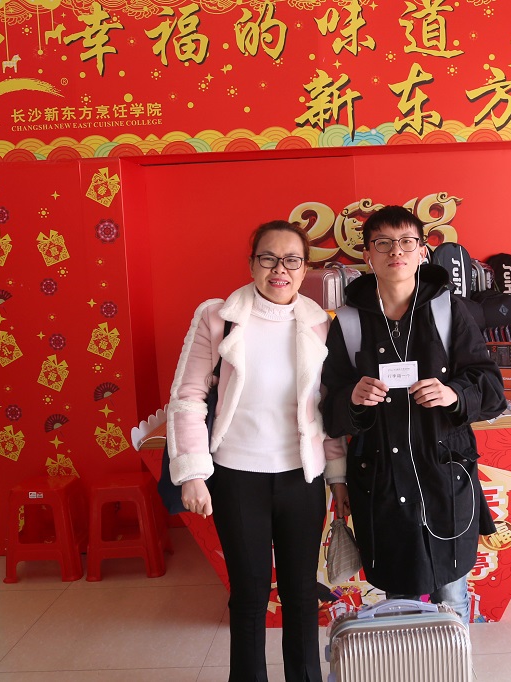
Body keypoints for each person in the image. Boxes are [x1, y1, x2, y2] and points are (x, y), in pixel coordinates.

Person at [166, 220, 346, 682]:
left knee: (301, 593)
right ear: (251, 264)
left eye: (292, 260)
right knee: (248, 595)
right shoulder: (218, 316)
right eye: (268, 258)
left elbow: (325, 408)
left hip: (301, 478)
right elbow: (187, 396)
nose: (279, 269)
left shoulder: (320, 324)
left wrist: (337, 476)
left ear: (305, 268)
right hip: (237, 476)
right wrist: (192, 473)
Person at [320, 205, 506, 627]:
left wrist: (453, 393)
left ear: (422, 251)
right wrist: (352, 399)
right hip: (382, 481)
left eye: (406, 242)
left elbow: (492, 389)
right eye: (383, 243)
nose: (396, 252)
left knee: (452, 596)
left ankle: (453, 659)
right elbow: (329, 412)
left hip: (445, 476)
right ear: (367, 255)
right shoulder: (347, 323)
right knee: (398, 602)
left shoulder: (449, 311)